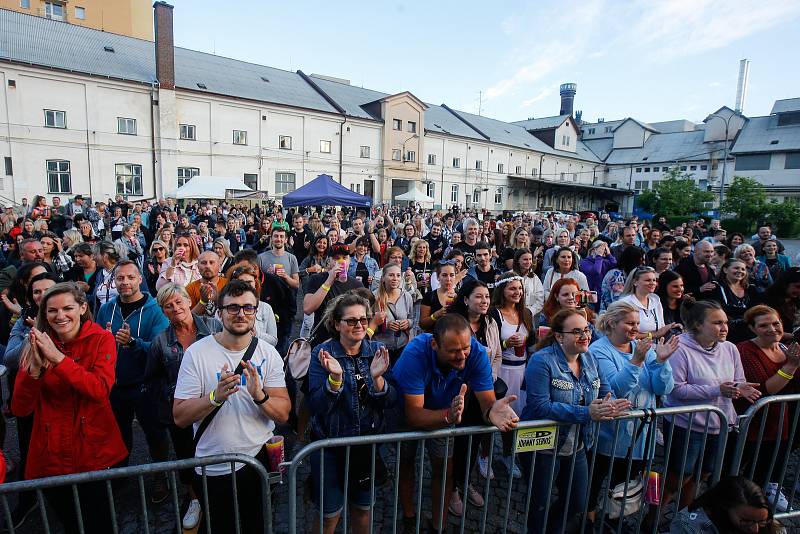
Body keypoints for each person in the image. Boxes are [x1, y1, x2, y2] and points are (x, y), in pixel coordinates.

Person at [173, 280, 291, 534]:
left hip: (258, 461)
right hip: (213, 465)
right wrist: (215, 397)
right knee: (220, 526)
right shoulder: (197, 353)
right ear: (219, 312)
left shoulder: (268, 353)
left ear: (256, 312)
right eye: (233, 308)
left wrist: (260, 395)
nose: (241, 314)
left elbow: (283, 413)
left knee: (257, 524)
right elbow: (180, 417)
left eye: (248, 308)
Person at [11, 282, 128, 534]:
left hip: (93, 452)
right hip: (50, 454)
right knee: (71, 524)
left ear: (82, 308)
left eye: (67, 308)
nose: (60, 316)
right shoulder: (35, 344)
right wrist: (33, 374)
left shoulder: (102, 339)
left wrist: (59, 361)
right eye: (52, 310)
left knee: (98, 523)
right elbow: (20, 409)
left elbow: (99, 390)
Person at [392, 314, 519, 534]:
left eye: (465, 349)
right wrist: (447, 417)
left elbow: (486, 401)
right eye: (452, 351)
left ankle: (438, 526)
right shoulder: (415, 354)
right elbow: (413, 415)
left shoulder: (477, 353)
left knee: (444, 469)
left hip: (445, 412)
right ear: (434, 344)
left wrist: (493, 411)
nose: (461, 357)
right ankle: (409, 518)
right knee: (406, 463)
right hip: (407, 411)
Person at [521, 308, 631, 534]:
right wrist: (587, 413)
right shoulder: (541, 361)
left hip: (578, 443)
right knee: (539, 504)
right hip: (541, 445)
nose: (585, 335)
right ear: (559, 336)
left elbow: (605, 391)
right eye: (577, 331)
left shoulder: (590, 358)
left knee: (577, 502)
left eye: (587, 329)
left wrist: (609, 405)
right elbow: (539, 406)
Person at [307, 293, 397, 534]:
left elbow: (391, 401)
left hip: (367, 444)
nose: (359, 325)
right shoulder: (322, 354)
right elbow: (316, 405)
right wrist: (335, 381)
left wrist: (377, 379)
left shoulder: (377, 350)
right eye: (351, 321)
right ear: (337, 324)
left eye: (364, 319)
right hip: (329, 447)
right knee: (329, 515)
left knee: (363, 510)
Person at [662, 300, 761, 511]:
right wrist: (718, 390)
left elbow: (738, 379)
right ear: (698, 325)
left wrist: (739, 388)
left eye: (725, 322)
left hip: (720, 424)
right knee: (679, 476)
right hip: (687, 425)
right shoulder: (679, 349)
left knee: (702, 474)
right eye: (717, 322)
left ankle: (684, 518)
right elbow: (676, 389)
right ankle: (652, 520)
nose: (724, 327)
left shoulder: (730, 348)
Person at [587, 301, 677, 524]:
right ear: (613, 323)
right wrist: (636, 361)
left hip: (640, 436)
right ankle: (586, 521)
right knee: (593, 483)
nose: (635, 328)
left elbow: (662, 389)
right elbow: (615, 389)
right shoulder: (599, 351)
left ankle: (611, 521)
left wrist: (661, 362)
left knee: (624, 487)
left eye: (637, 323)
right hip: (609, 435)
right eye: (629, 323)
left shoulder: (641, 346)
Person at [145, 283, 222, 531]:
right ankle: (195, 499)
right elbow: (153, 377)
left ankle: (220, 494)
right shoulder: (160, 341)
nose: (175, 308)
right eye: (168, 306)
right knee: (186, 456)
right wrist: (170, 396)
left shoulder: (213, 327)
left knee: (218, 451)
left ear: (189, 301)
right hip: (181, 411)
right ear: (163, 312)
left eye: (178, 302)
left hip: (215, 405)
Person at [735, 305, 800, 504]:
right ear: (753, 328)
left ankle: (763, 495)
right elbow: (765, 389)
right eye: (764, 325)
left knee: (771, 461)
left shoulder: (784, 348)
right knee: (745, 464)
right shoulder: (745, 351)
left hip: (782, 421)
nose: (772, 329)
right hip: (755, 423)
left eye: (776, 323)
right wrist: (790, 366)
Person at [489, 272, 535, 477]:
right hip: (502, 369)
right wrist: (507, 344)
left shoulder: (526, 313)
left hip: (522, 369)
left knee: (518, 415)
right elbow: (490, 344)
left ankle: (510, 455)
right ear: (503, 291)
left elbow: (532, 342)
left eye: (519, 288)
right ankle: (485, 455)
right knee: (498, 412)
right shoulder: (494, 314)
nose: (517, 292)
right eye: (512, 289)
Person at [669, 476, 784, 534]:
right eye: (745, 520)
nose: (755, 529)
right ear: (724, 507)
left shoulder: (771, 526)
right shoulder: (688, 526)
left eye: (761, 521)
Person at [304, 243, 364, 344]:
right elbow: (308, 309)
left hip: (348, 342)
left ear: (349, 261)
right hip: (322, 341)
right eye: (336, 258)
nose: (341, 262)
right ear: (329, 260)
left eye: (345, 258)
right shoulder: (317, 279)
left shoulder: (357, 284)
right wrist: (329, 280)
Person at [701, 259, 759, 344]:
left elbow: (757, 308)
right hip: (727, 330)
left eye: (743, 269)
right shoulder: (715, 287)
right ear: (725, 270)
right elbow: (718, 308)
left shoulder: (751, 289)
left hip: (750, 328)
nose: (740, 271)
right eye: (736, 268)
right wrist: (747, 312)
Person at [619, 265, 679, 338]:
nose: (653, 283)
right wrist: (653, 335)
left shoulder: (655, 300)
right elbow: (623, 333)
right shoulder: (625, 302)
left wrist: (671, 326)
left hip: (656, 347)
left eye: (654, 280)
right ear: (635, 282)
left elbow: (661, 328)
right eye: (648, 280)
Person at [372, 263, 413, 363]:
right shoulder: (374, 297)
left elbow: (412, 319)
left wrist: (408, 323)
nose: (395, 278)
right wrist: (385, 326)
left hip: (402, 347)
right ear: (383, 278)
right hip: (381, 349)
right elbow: (368, 326)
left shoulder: (406, 296)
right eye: (391, 275)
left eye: (398, 275)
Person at [228, 264, 278, 346]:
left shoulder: (265, 308)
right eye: (241, 282)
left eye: (249, 282)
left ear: (255, 284)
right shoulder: (225, 307)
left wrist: (257, 334)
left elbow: (273, 341)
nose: (245, 285)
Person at [418, 259, 457, 333]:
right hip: (433, 339)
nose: (448, 279)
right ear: (438, 277)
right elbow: (422, 324)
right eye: (444, 275)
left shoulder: (460, 296)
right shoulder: (429, 296)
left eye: (452, 275)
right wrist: (435, 315)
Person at [762, 268, 800, 341]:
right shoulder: (766, 300)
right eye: (797, 287)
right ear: (785, 284)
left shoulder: (795, 300)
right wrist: (788, 335)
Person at [186, 251, 227, 317]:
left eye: (212, 262)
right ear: (197, 266)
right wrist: (203, 302)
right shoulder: (190, 288)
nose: (208, 266)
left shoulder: (228, 284)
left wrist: (217, 299)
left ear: (219, 265)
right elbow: (189, 317)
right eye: (203, 263)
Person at [92, 241, 128, 310]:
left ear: (105, 256)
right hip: (103, 317)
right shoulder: (100, 274)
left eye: (95, 255)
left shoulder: (126, 270)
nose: (93, 258)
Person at [512, 248, 545, 321]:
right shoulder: (510, 276)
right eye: (525, 259)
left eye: (530, 259)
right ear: (518, 260)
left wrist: (530, 311)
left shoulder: (534, 277)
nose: (528, 262)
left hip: (528, 317)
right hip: (511, 316)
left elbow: (540, 299)